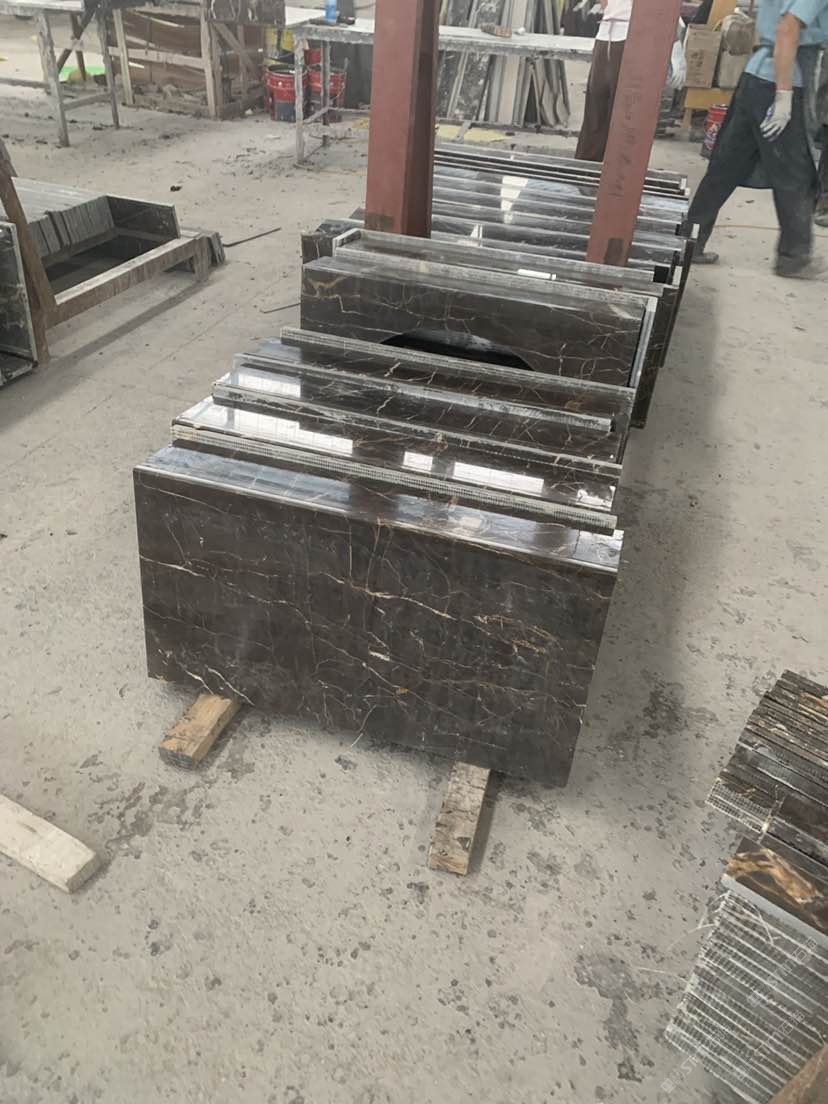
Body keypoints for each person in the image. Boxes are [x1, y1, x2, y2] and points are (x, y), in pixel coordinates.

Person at [688, 0, 828, 278]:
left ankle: (689, 242)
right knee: (796, 175)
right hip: (783, 76)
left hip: (754, 77)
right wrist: (783, 98)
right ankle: (794, 259)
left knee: (725, 168)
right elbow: (788, 29)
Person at [575, 0, 632, 162]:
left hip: (620, 36)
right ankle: (592, 163)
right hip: (614, 35)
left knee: (611, 109)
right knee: (604, 108)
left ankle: (600, 162)